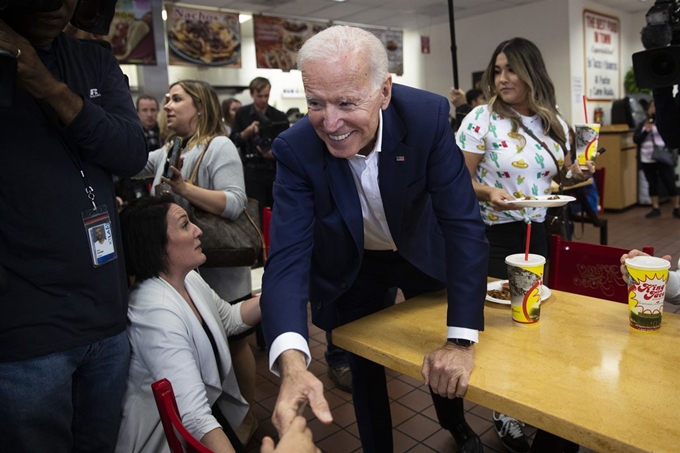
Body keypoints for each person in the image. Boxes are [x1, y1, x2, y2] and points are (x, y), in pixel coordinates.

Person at [260, 25, 490, 453]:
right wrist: (291, 364)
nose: (330, 123)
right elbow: (288, 257)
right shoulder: (295, 149)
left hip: (420, 250)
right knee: (361, 370)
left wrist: (460, 341)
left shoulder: (426, 119)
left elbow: (462, 226)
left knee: (442, 358)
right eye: (315, 103)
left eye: (347, 103)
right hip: (353, 264)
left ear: (384, 92)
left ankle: (455, 424)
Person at [0, 2, 148, 452]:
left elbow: (130, 153)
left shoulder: (93, 60)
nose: (54, 5)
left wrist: (45, 86)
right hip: (26, 335)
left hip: (105, 320)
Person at [457, 37, 592, 453]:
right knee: (503, 325)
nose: (502, 79)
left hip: (544, 230)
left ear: (531, 72)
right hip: (497, 234)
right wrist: (488, 193)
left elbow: (560, 178)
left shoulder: (556, 122)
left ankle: (529, 397)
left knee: (534, 316)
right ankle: (504, 409)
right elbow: (459, 180)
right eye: (497, 71)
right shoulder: (482, 119)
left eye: (510, 69)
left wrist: (576, 171)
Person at [134, 79, 259, 445]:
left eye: (176, 99)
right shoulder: (172, 147)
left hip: (220, 260)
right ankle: (217, 408)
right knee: (209, 338)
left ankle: (246, 415)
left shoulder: (219, 145)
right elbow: (134, 163)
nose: (167, 106)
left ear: (200, 107)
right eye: (165, 99)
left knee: (234, 338)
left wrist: (184, 188)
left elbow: (234, 202)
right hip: (192, 265)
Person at [115, 197, 261, 453]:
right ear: (158, 246)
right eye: (185, 225)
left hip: (201, 419)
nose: (198, 229)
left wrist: (278, 292)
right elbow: (193, 417)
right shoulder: (155, 311)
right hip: (161, 441)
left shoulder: (188, 279)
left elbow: (229, 319)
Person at [230, 77, 289, 214]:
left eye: (266, 96)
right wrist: (247, 132)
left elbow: (288, 147)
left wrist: (275, 153)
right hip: (251, 170)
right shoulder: (242, 114)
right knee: (255, 212)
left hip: (274, 171)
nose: (263, 100)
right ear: (252, 94)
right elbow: (233, 141)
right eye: (259, 96)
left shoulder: (278, 116)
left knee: (276, 211)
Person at [633, 99, 680, 219]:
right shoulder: (643, 123)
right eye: (651, 107)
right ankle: (655, 208)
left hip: (663, 157)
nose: (653, 109)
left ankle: (676, 207)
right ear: (647, 110)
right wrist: (645, 130)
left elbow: (672, 138)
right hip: (647, 158)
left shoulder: (665, 123)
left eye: (655, 107)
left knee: (670, 182)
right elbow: (636, 139)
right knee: (652, 183)